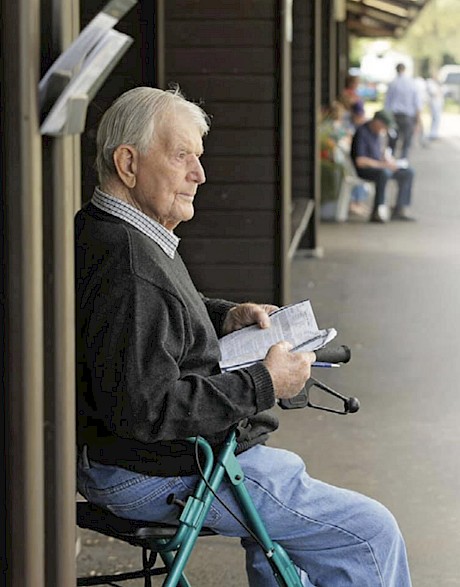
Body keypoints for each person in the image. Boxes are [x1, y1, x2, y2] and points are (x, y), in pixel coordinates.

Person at [75, 86, 412, 586]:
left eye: (199, 157)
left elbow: (152, 325)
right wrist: (266, 381)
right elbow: (147, 407)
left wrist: (225, 316)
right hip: (156, 470)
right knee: (369, 532)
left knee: (293, 531)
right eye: (182, 155)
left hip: (136, 459)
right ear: (128, 164)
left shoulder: (113, 231)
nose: (200, 174)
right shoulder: (130, 266)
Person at [351, 109, 416, 223]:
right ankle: (378, 210)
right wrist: (382, 165)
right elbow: (360, 161)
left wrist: (390, 162)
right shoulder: (362, 132)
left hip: (381, 166)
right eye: (384, 126)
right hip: (366, 169)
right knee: (383, 174)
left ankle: (400, 208)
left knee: (408, 172)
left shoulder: (378, 134)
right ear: (377, 122)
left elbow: (380, 152)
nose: (385, 130)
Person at [384, 63, 423, 159]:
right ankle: (403, 161)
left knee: (392, 141)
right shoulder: (412, 83)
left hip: (394, 115)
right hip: (407, 117)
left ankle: (390, 159)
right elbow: (417, 103)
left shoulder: (393, 83)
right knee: (406, 141)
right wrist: (418, 121)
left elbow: (387, 103)